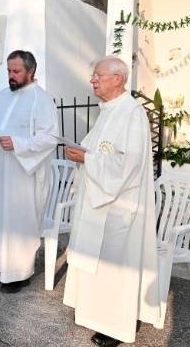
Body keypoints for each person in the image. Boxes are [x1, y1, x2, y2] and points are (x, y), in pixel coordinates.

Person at [62, 56, 162, 347]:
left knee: (113, 266)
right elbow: (101, 152)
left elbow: (128, 164)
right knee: (98, 262)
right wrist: (85, 155)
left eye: (98, 75)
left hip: (119, 206)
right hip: (98, 200)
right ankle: (96, 314)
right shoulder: (108, 110)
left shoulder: (131, 112)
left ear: (118, 79)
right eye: (94, 75)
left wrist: (86, 158)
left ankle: (115, 325)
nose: (93, 80)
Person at [0, 50, 58, 294]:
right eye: (9, 70)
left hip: (23, 175)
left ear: (31, 71)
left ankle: (19, 273)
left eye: (16, 71)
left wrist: (19, 144)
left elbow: (49, 137)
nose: (11, 75)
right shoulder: (1, 97)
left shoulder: (42, 100)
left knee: (18, 221)